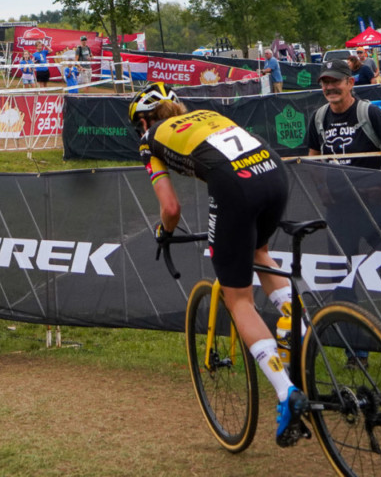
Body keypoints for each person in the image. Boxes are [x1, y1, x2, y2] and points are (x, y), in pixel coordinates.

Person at [131, 82, 309, 446]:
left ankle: (284, 391)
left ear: (145, 120)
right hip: (274, 173)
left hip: (237, 187)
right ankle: (296, 325)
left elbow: (171, 209)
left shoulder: (150, 140)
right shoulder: (208, 115)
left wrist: (164, 233)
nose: (141, 132)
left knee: (238, 297)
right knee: (258, 251)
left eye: (140, 125)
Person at [306, 60, 381, 168]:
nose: (330, 87)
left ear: (350, 83)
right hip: (335, 188)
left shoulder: (370, 113)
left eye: (336, 81)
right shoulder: (318, 117)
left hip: (371, 187)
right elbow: (314, 161)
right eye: (325, 83)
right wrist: (318, 187)